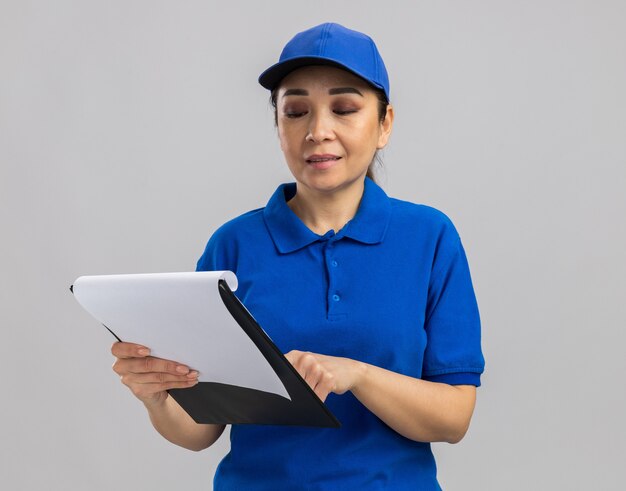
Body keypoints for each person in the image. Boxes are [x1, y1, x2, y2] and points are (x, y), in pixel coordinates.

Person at [111, 22, 485, 490]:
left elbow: (454, 418)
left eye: (344, 109)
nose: (318, 131)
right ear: (278, 125)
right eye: (296, 111)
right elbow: (200, 430)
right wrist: (156, 397)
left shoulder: (430, 238)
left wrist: (359, 375)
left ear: (384, 124)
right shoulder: (233, 246)